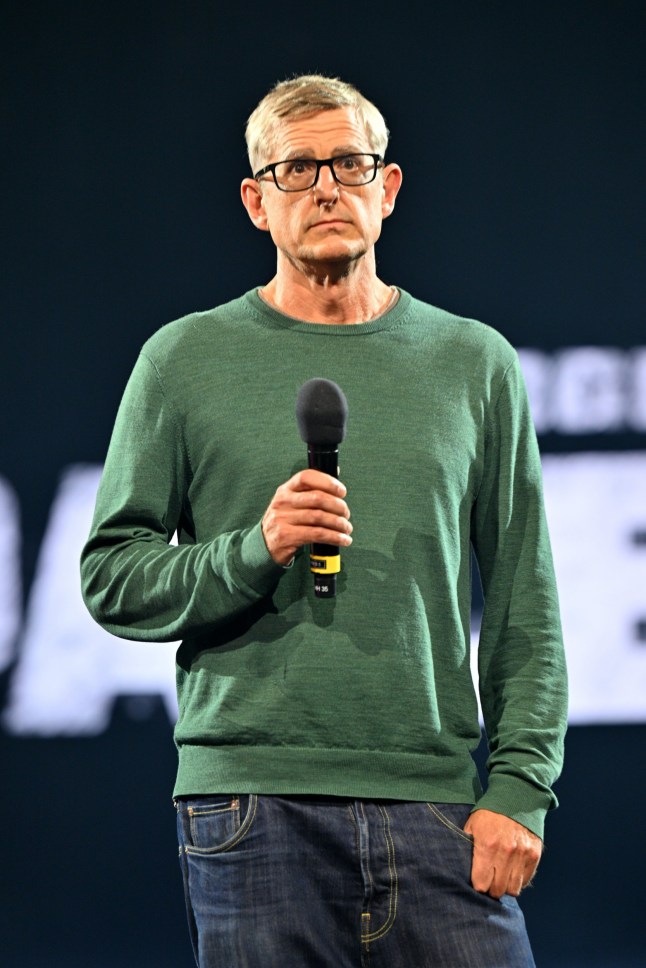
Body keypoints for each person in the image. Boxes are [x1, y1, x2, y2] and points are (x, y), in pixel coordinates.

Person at [81, 74, 568, 967]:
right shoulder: (183, 359)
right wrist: (251, 550)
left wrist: (522, 788)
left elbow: (524, 606)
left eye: (349, 162)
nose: (326, 187)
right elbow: (113, 578)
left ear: (387, 188)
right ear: (255, 201)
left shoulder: (474, 363)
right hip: (253, 811)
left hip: (441, 809)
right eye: (295, 169)